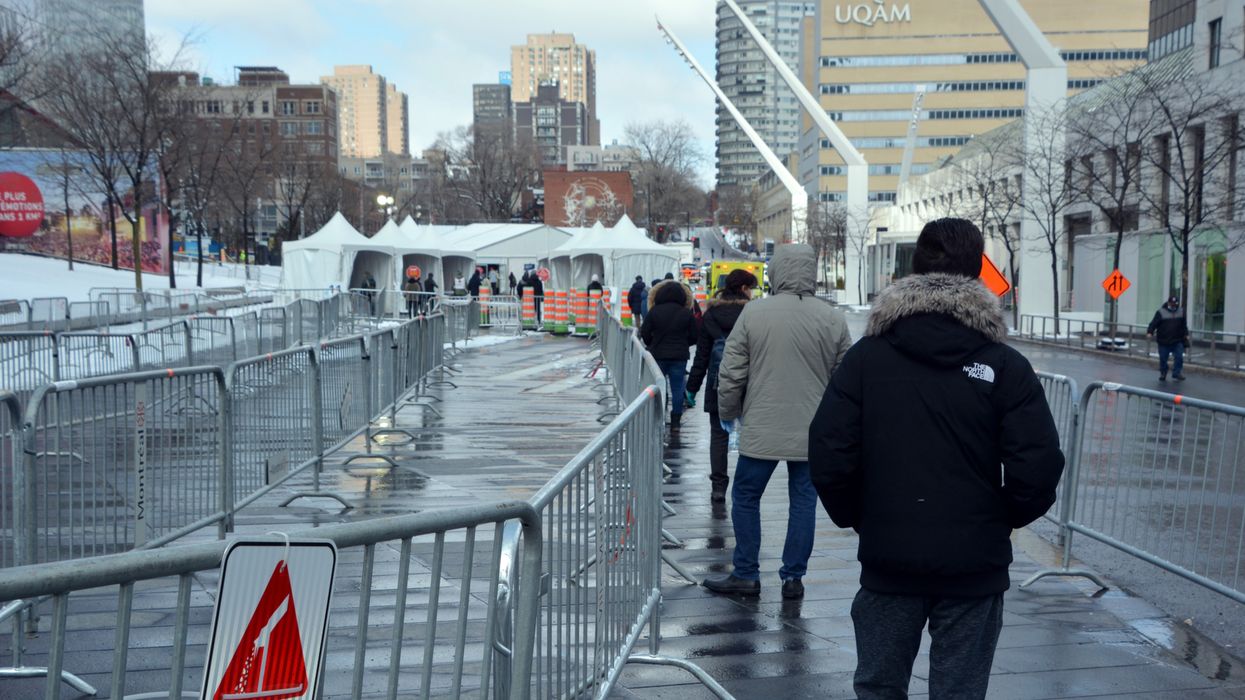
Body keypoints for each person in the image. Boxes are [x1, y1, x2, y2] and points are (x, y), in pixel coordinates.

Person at [809, 218, 1065, 699]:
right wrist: (1000, 518)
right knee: (959, 692)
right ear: (977, 271)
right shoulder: (1004, 364)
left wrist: (859, 516)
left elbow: (829, 449)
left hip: (889, 557)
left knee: (879, 688)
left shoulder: (867, 358)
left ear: (914, 267)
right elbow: (1038, 463)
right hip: (974, 564)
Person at [703, 243, 852, 600]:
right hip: (812, 430)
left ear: (776, 272)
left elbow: (732, 372)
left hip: (762, 424)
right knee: (803, 502)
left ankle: (746, 572)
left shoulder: (754, 313)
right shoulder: (832, 318)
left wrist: (728, 413)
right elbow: (845, 379)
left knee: (746, 496)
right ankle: (793, 577)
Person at [686, 269, 756, 502]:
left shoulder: (711, 314)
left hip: (719, 382)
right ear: (744, 289)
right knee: (751, 434)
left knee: (718, 435)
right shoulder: (752, 314)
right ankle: (746, 485)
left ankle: (718, 487)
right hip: (750, 383)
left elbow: (702, 356)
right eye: (751, 288)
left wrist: (692, 388)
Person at [639, 279, 698, 431]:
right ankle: (676, 420)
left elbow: (644, 332)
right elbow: (694, 335)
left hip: (658, 354)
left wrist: (652, 343)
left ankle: (659, 417)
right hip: (679, 356)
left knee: (659, 387)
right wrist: (684, 344)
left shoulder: (654, 311)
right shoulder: (686, 313)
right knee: (677, 388)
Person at [1147, 295, 1190, 381]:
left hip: (1177, 340)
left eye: (1175, 304)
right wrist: (1150, 332)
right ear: (1168, 303)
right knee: (1163, 358)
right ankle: (1163, 372)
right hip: (1164, 341)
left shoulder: (1181, 311)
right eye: (1172, 304)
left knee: (1179, 357)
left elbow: (1184, 325)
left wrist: (1186, 334)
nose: (1174, 306)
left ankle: (1176, 373)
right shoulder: (1161, 312)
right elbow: (1153, 323)